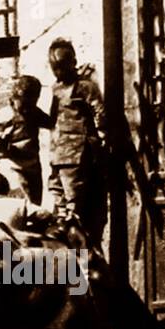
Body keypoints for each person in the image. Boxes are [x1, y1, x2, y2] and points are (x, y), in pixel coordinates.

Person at [47, 38, 107, 247]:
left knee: (75, 207)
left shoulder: (84, 87)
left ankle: (81, 250)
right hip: (57, 154)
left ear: (73, 62)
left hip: (77, 154)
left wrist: (102, 140)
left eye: (63, 66)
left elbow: (100, 113)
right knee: (58, 202)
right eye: (55, 67)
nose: (59, 71)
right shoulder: (54, 89)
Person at [0, 74, 51, 204]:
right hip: (12, 165)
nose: (26, 108)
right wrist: (1, 139)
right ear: (14, 98)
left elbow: (50, 123)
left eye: (31, 104)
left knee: (35, 203)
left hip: (32, 166)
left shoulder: (35, 113)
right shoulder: (6, 113)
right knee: (21, 203)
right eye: (23, 103)